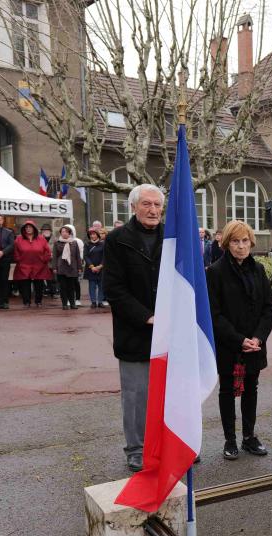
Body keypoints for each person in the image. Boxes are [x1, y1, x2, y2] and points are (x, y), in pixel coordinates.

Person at [103, 184, 165, 471]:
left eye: (157, 205)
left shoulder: (173, 236)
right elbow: (113, 289)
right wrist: (147, 316)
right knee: (137, 396)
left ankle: (169, 445)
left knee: (169, 394)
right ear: (133, 207)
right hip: (134, 333)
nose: (153, 210)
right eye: (147, 204)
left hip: (170, 333)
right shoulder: (118, 239)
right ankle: (136, 449)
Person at [206, 220, 272, 460]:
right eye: (235, 241)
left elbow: (268, 308)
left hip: (255, 345)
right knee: (227, 391)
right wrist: (239, 340)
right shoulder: (215, 272)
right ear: (227, 243)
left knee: (251, 390)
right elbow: (214, 314)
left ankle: (249, 436)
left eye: (245, 241)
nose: (241, 246)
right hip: (229, 345)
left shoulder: (257, 270)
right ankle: (230, 440)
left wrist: (258, 337)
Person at [13, 220, 52, 308]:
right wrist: (18, 260)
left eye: (30, 227)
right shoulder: (18, 239)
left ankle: (38, 301)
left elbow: (47, 251)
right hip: (24, 266)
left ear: (34, 228)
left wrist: (44, 260)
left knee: (39, 285)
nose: (28, 229)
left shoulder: (41, 238)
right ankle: (26, 302)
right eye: (26, 227)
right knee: (25, 285)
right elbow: (15, 252)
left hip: (39, 266)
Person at [52, 224, 83, 310]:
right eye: (62, 232)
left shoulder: (74, 243)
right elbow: (55, 256)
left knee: (71, 287)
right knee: (63, 287)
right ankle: (64, 304)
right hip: (61, 267)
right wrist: (54, 267)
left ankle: (72, 303)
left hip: (72, 267)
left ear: (69, 233)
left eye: (66, 232)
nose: (64, 233)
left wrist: (79, 268)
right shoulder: (57, 243)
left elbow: (77, 256)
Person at [84, 227, 107, 308]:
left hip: (101, 268)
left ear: (97, 235)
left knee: (101, 286)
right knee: (92, 286)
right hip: (91, 269)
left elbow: (105, 256)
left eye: (94, 234)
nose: (92, 236)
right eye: (90, 234)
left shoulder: (103, 244)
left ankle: (100, 302)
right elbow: (86, 256)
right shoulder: (87, 244)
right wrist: (92, 267)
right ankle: (93, 302)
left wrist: (100, 266)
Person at [40, 223, 57, 298]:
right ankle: (44, 291)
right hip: (42, 262)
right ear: (42, 231)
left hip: (52, 262)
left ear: (50, 231)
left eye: (47, 230)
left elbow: (58, 250)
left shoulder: (55, 239)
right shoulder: (38, 239)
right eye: (44, 230)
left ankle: (53, 292)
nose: (46, 231)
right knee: (42, 278)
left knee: (52, 278)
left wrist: (53, 255)